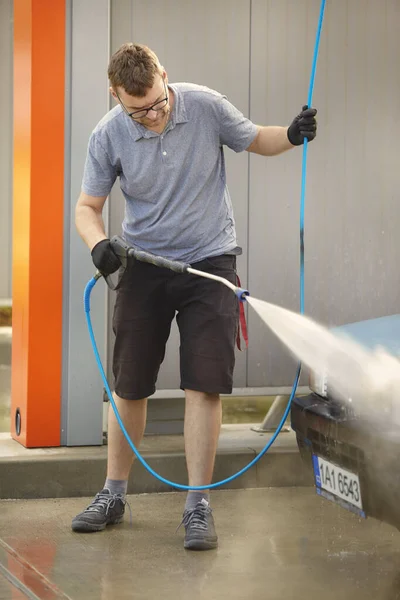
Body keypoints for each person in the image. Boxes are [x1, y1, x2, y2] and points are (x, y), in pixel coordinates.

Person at [72, 43, 317, 550]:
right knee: (130, 383)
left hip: (211, 263)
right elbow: (86, 207)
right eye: (137, 109)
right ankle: (114, 494)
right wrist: (98, 245)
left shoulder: (205, 106)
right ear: (115, 95)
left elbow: (257, 139)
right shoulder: (109, 133)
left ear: (165, 76)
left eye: (158, 102)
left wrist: (292, 135)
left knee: (204, 383)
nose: (153, 116)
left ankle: (197, 505)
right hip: (143, 265)